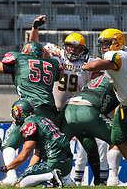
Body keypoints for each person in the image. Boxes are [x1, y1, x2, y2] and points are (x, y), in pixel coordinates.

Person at [29, 15, 109, 185]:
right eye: (69, 47)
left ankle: (99, 181)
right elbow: (34, 48)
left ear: (83, 50)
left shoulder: (90, 63)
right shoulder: (57, 54)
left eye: (76, 48)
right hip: (55, 111)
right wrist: (35, 28)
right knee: (51, 148)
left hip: (75, 112)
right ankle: (47, 178)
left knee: (90, 145)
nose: (71, 51)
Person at [0, 41, 63, 186]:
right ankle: (59, 176)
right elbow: (60, 75)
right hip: (50, 111)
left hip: (30, 109)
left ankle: (11, 176)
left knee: (9, 145)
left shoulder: (20, 59)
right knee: (43, 149)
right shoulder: (52, 64)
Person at [82, 28, 127, 180]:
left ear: (116, 42)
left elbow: (97, 65)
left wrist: (84, 66)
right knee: (117, 139)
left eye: (106, 43)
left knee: (118, 139)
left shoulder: (116, 55)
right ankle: (113, 178)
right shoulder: (126, 51)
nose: (103, 46)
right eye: (101, 43)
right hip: (125, 105)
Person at [0, 99, 72, 188]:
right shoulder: (42, 119)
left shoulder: (29, 124)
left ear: (19, 114)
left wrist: (8, 168)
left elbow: (27, 151)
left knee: (18, 185)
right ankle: (54, 180)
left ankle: (51, 176)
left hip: (53, 162)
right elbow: (37, 153)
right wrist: (28, 172)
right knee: (25, 178)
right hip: (67, 163)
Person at [60, 74, 122, 186]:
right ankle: (113, 178)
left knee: (58, 146)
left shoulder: (100, 78)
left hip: (68, 108)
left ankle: (54, 177)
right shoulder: (120, 76)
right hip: (87, 110)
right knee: (117, 138)